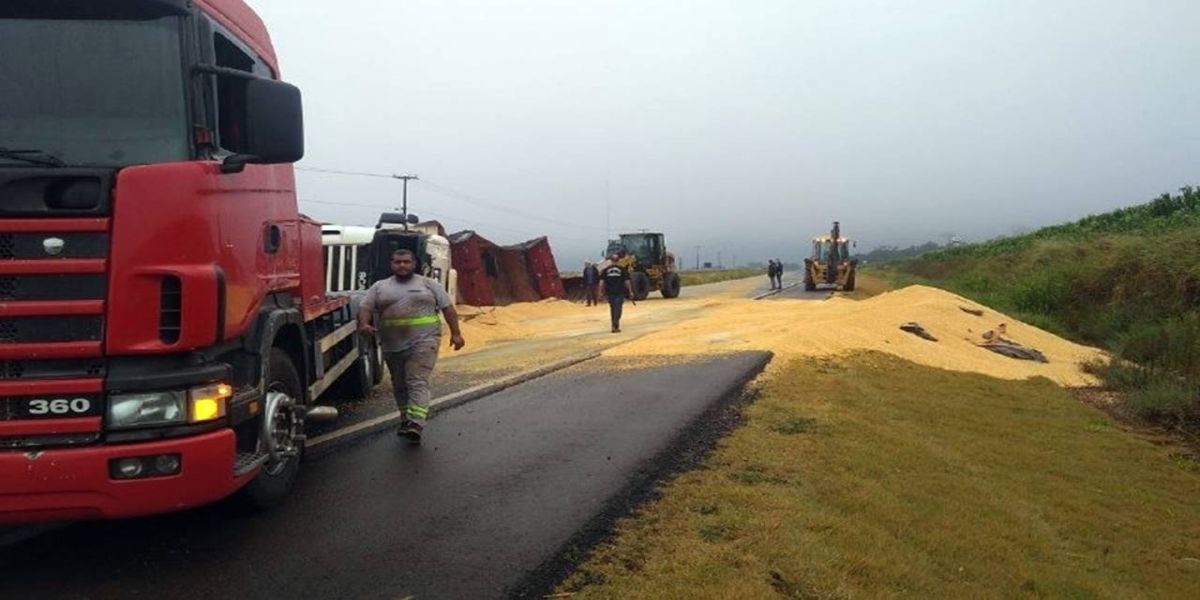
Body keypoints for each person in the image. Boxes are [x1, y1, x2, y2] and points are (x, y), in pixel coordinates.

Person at [358, 249, 465, 445]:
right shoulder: (380, 287)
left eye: (406, 262)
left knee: (416, 380)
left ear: (414, 264)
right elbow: (365, 307)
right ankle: (405, 419)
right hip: (392, 344)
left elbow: (448, 308)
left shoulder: (429, 284)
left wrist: (456, 333)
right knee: (399, 384)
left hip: (424, 341)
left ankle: (416, 424)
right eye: (398, 262)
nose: (402, 265)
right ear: (391, 264)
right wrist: (364, 324)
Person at [599, 254, 635, 333]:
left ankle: (614, 325)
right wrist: (630, 291)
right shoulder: (622, 270)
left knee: (613, 309)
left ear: (611, 261)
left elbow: (601, 283)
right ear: (618, 260)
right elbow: (627, 282)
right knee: (618, 309)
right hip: (619, 292)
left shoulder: (605, 270)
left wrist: (600, 293)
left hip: (610, 292)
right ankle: (615, 324)